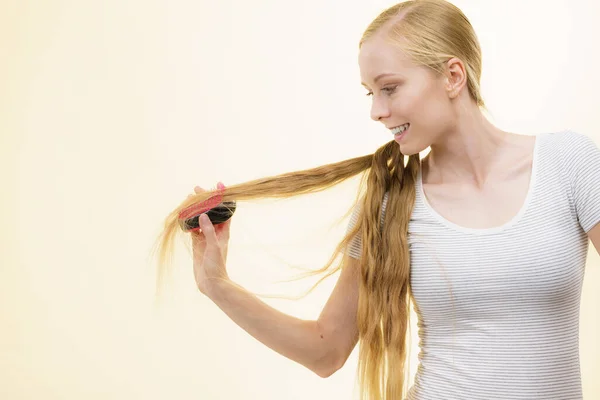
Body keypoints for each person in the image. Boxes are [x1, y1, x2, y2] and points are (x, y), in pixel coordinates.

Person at [153, 0, 600, 398]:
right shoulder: (390, 204)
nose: (377, 111)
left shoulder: (569, 164)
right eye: (371, 93)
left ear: (452, 75)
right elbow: (325, 351)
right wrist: (217, 285)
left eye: (389, 88)